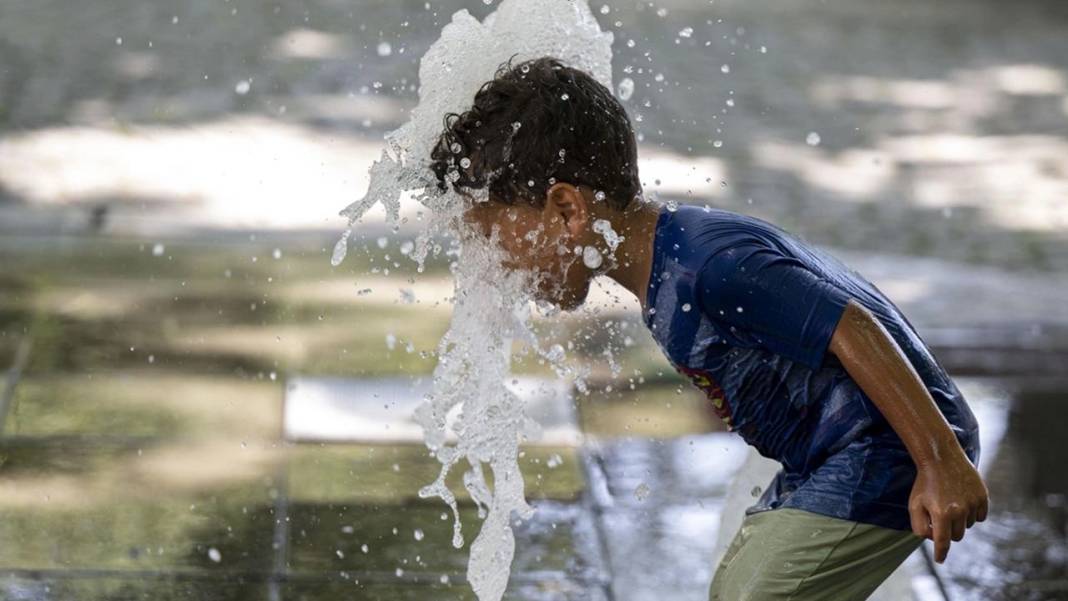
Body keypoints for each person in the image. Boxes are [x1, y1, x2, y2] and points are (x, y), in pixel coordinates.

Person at [429, 56, 988, 601]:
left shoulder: (709, 266)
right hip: (838, 453)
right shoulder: (670, 262)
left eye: (498, 239)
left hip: (889, 450)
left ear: (568, 210)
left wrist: (940, 461)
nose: (495, 263)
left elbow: (854, 326)